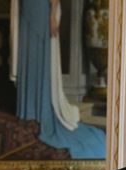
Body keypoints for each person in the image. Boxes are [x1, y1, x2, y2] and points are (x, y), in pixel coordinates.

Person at [12, 0, 105, 158]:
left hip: (42, 10)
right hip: (26, 9)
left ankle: (40, 110)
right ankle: (28, 110)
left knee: (41, 60)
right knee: (29, 57)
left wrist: (53, 15)